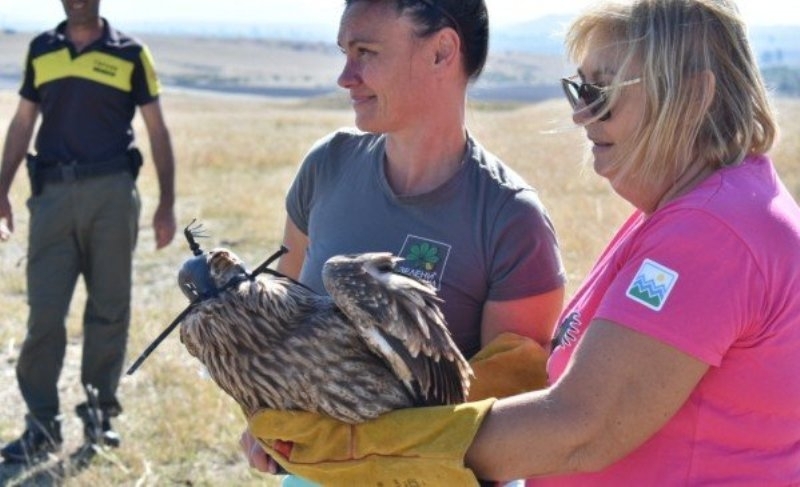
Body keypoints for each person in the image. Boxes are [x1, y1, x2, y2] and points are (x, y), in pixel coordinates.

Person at [245, 0, 800, 485]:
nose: (582, 114)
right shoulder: (699, 213)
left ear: (695, 94)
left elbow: (582, 428)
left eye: (603, 91)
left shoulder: (711, 235)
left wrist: (360, 449)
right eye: (579, 89)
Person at [240, 0, 566, 478]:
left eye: (366, 52)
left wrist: (361, 450)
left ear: (441, 52)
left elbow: (507, 411)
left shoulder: (511, 220)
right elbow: (274, 326)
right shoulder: (326, 167)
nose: (346, 76)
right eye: (345, 53)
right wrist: (263, 422)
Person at [0, 0, 176, 464]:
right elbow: (22, 123)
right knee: (44, 315)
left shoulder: (131, 54)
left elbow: (157, 130)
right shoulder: (42, 49)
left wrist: (167, 203)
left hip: (113, 196)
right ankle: (40, 427)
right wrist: (0, 190)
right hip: (52, 197)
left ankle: (100, 418)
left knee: (109, 310)